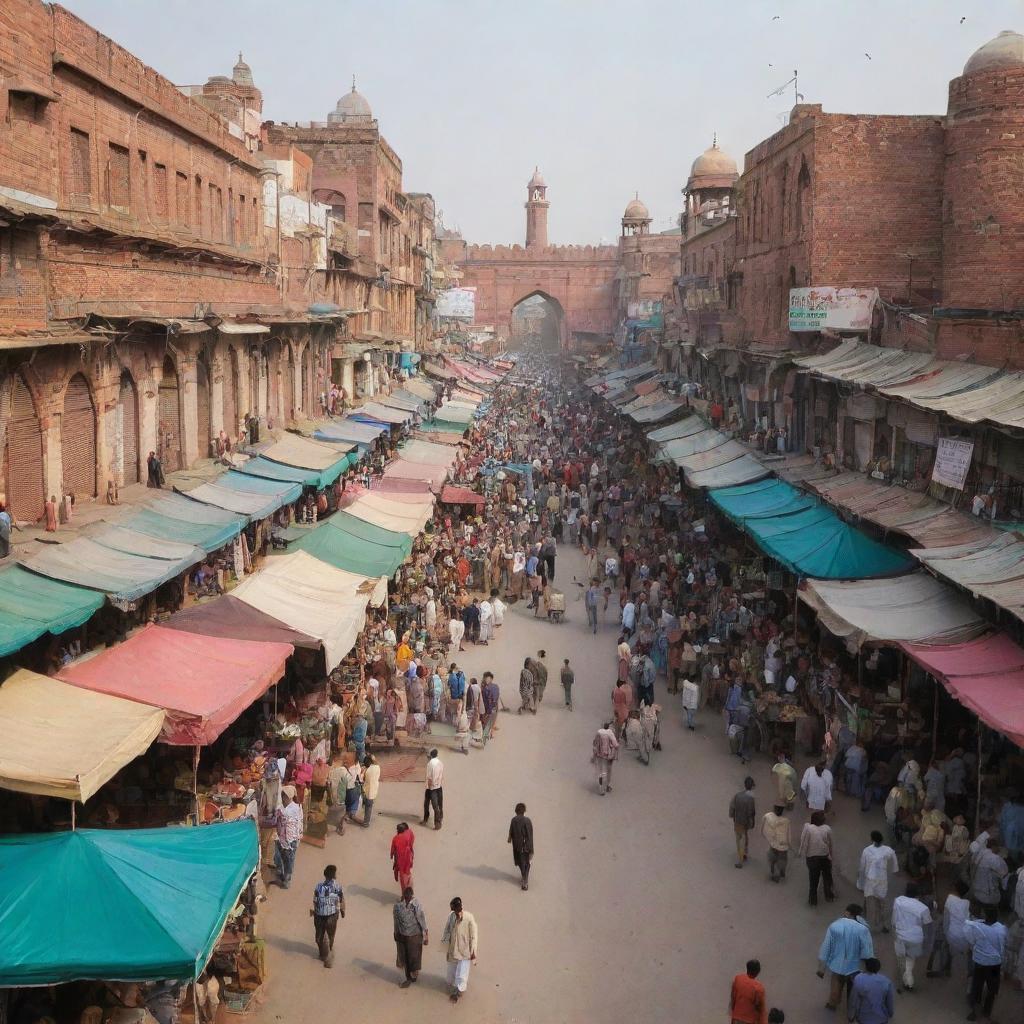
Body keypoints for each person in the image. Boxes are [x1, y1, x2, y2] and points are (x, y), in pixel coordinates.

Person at [816, 904, 873, 1011]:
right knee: (853, 989)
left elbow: (826, 947)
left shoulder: (835, 926)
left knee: (835, 988)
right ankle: (851, 1007)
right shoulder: (863, 929)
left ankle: (832, 1004)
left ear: (847, 913)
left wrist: (821, 968)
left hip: (837, 966)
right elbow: (867, 951)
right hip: (855, 967)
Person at [965, 904, 1007, 1021]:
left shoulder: (977, 927)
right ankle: (986, 1012)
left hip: (980, 962)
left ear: (985, 916)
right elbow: (1003, 947)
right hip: (994, 964)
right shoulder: (1001, 929)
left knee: (977, 987)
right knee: (991, 989)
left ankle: (974, 1012)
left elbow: (971, 941)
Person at [890, 882, 932, 993]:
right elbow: (928, 922)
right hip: (915, 938)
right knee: (910, 959)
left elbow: (894, 918)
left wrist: (894, 927)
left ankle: (906, 980)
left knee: (900, 959)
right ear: (918, 894)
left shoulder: (898, 900)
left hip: (900, 935)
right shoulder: (923, 908)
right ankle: (909, 980)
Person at [857, 831, 898, 933]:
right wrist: (894, 870)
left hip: (870, 881)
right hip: (881, 881)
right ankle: (883, 925)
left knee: (868, 901)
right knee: (881, 903)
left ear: (872, 840)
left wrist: (860, 881)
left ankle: (865, 923)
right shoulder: (887, 850)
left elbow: (862, 867)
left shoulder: (867, 851)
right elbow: (894, 860)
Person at [441, 897, 478, 1003]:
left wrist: (473, 952)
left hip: (465, 950)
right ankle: (452, 985)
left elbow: (474, 936)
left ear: (459, 908)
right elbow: (447, 930)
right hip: (453, 948)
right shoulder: (451, 917)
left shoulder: (469, 918)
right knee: (450, 973)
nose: (454, 912)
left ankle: (459, 991)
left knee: (462, 973)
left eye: (455, 910)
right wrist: (444, 946)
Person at [393, 886, 428, 988]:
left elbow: (422, 920)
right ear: (404, 895)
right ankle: (406, 978)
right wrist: (395, 932)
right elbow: (396, 920)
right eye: (406, 895)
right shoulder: (398, 906)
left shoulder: (417, 905)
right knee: (402, 957)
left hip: (415, 936)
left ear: (412, 895)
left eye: (409, 895)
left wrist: (426, 936)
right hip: (401, 935)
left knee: (414, 957)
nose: (408, 897)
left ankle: (414, 975)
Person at [798, 810, 835, 906]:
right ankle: (829, 896)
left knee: (813, 880)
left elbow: (804, 843)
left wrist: (802, 853)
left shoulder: (809, 828)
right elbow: (830, 844)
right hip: (824, 856)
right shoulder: (827, 829)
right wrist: (830, 855)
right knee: (827, 877)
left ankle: (813, 901)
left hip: (812, 858)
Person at [311, 864, 345, 968]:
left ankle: (326, 954)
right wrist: (343, 911)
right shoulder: (337, 886)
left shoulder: (319, 886)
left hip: (323, 915)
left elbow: (315, 901)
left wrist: (315, 910)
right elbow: (342, 899)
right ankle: (327, 952)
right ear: (334, 876)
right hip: (331, 916)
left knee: (319, 938)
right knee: (330, 936)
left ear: (325, 875)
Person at [848, 958, 895, 1024]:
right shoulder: (886, 982)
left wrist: (851, 1016)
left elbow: (853, 999)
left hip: (863, 1017)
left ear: (866, 967)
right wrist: (890, 1013)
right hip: (881, 1018)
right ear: (878, 968)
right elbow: (889, 1001)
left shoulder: (859, 979)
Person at [274, 787, 303, 889]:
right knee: (283, 858)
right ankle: (283, 875)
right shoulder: (295, 806)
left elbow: (278, 817)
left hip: (290, 840)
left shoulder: (290, 810)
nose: (281, 798)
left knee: (289, 860)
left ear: (286, 797)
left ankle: (286, 880)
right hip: (285, 838)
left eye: (282, 796)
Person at [729, 776, 757, 869]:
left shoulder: (737, 796)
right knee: (745, 836)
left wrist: (732, 815)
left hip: (738, 821)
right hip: (746, 822)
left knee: (739, 839)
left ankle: (740, 860)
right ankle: (745, 852)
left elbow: (732, 807)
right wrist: (752, 822)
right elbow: (752, 812)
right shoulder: (751, 799)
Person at [729, 959, 767, 1024]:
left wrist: (733, 1014)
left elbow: (733, 998)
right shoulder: (759, 988)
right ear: (758, 971)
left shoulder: (738, 979)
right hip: (749, 1020)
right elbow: (761, 1009)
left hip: (737, 1017)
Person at [508, 802, 534, 891]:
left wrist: (509, 838)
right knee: (526, 863)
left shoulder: (514, 820)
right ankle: (525, 879)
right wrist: (531, 849)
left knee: (521, 862)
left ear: (516, 811)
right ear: (524, 811)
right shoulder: (527, 820)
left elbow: (511, 831)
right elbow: (530, 835)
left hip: (517, 846)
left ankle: (525, 880)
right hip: (525, 846)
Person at [761, 804, 791, 883]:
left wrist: (768, 838)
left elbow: (765, 829)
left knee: (772, 858)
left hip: (773, 844)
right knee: (782, 859)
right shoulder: (786, 821)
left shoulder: (769, 817)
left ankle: (774, 872)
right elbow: (789, 834)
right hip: (783, 846)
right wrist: (789, 844)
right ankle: (781, 871)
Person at [592, 721, 619, 795]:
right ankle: (607, 785)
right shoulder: (610, 733)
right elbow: (615, 744)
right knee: (608, 771)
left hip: (600, 755)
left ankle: (601, 788)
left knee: (601, 771)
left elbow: (595, 743)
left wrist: (594, 754)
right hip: (609, 755)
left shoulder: (599, 733)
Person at [390, 822, 415, 892]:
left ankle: (405, 894)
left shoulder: (396, 838)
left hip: (401, 860)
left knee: (403, 876)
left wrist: (392, 857)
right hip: (409, 857)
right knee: (408, 873)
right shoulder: (409, 832)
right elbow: (412, 841)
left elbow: (393, 850)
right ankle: (410, 889)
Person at [422, 749, 444, 829]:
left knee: (427, 804)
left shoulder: (430, 764)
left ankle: (426, 819)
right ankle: (439, 821)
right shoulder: (440, 763)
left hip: (431, 788)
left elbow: (429, 777)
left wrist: (430, 786)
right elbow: (441, 775)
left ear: (430, 755)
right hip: (439, 787)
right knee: (439, 804)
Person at [361, 754, 380, 827]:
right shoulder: (377, 767)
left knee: (367, 807)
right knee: (369, 807)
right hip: (373, 791)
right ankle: (366, 821)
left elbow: (361, 779)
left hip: (366, 791)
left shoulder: (366, 770)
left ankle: (366, 822)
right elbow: (375, 762)